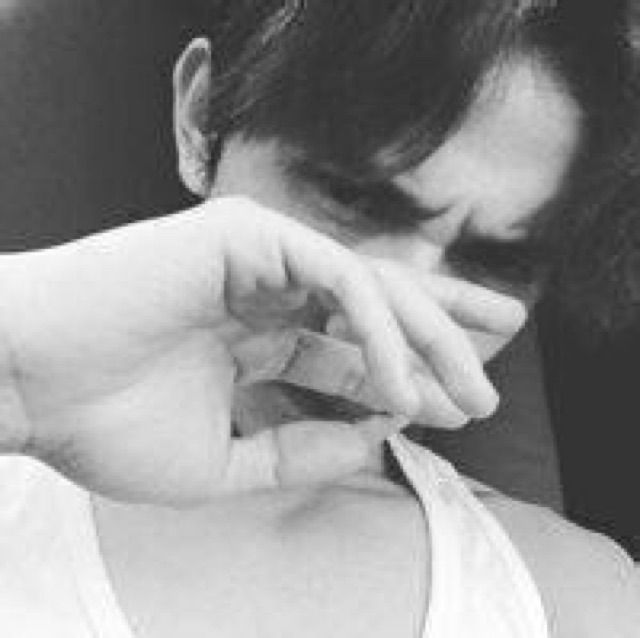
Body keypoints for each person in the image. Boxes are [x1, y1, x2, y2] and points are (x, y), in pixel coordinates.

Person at [0, 1, 639, 636]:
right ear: (201, 116)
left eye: (494, 263)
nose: (392, 325)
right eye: (350, 199)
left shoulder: (575, 595)